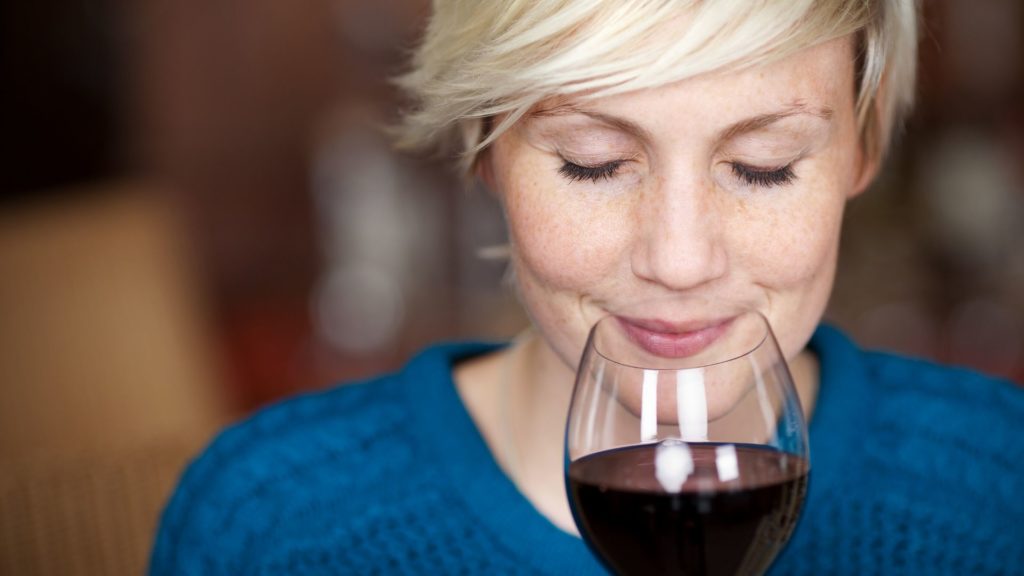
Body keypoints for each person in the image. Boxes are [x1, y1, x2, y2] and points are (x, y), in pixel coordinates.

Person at [150, 1, 1024, 574]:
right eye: (592, 163)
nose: (679, 260)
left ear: (860, 146)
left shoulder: (1000, 488)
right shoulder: (271, 526)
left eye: (764, 167)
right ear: (486, 144)